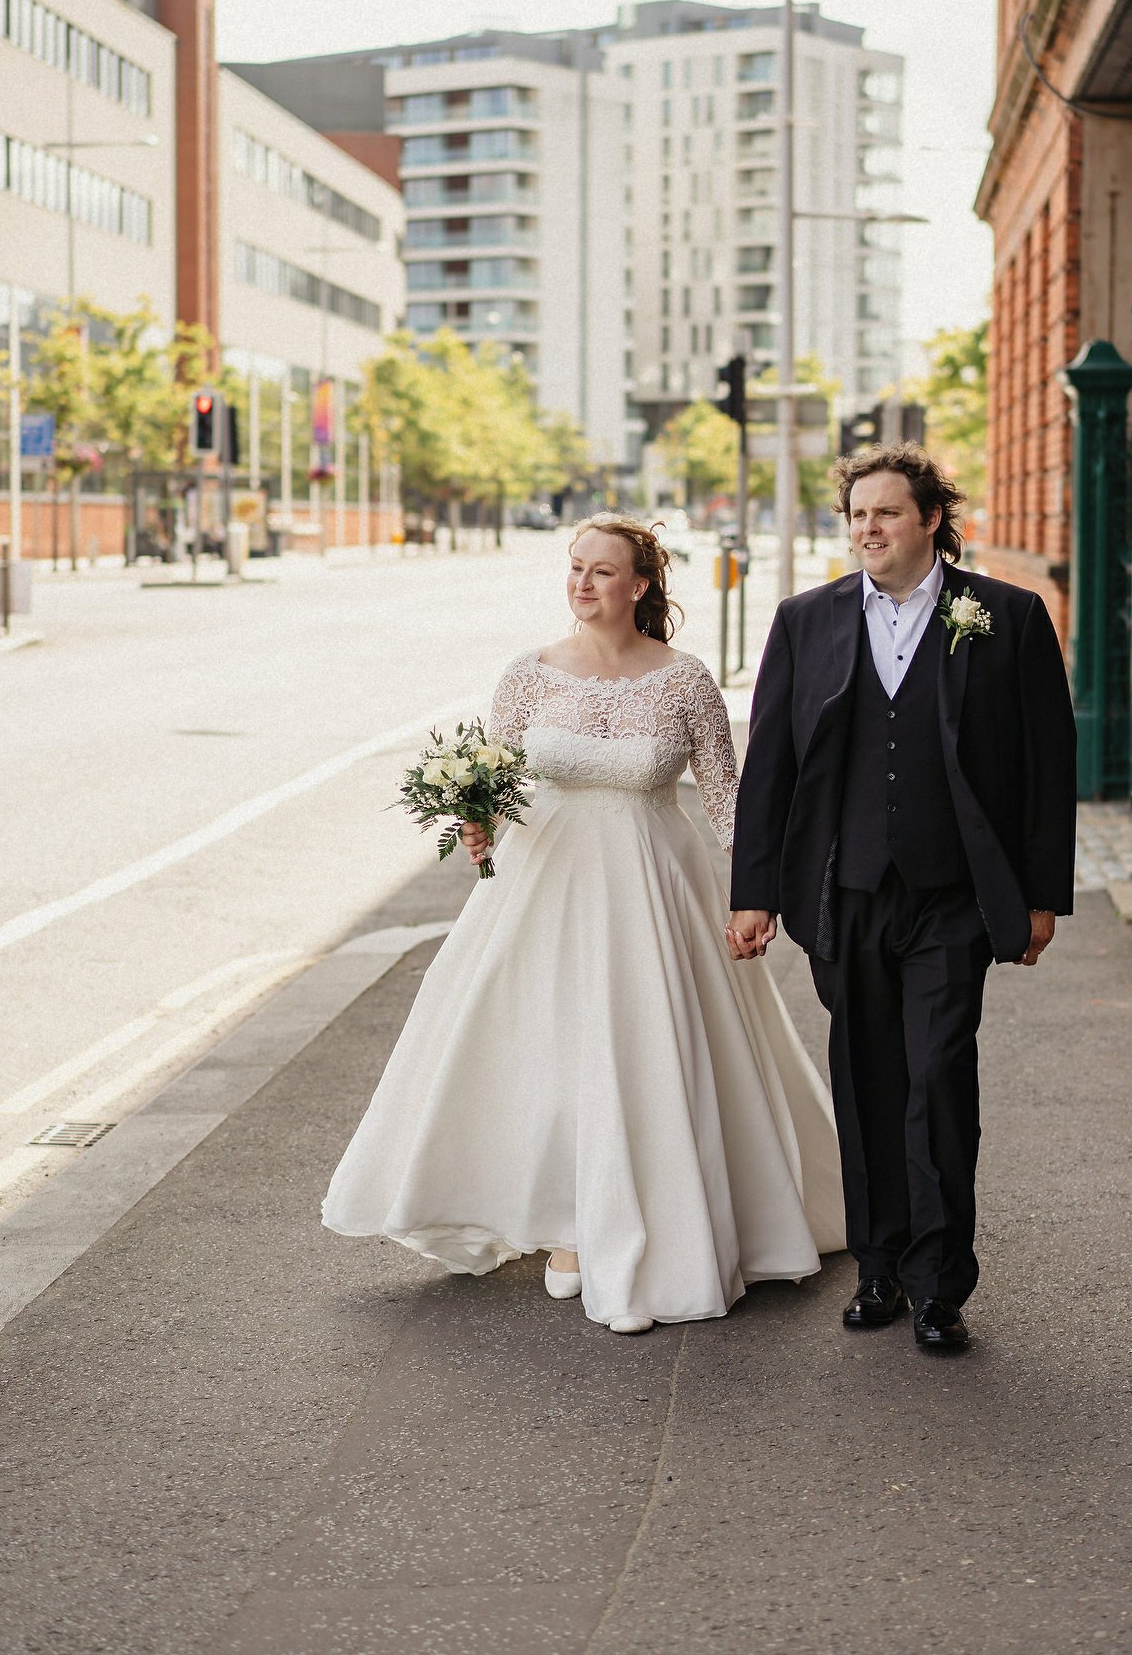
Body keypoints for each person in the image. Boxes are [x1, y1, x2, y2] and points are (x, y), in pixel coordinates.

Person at [323, 515, 844, 1335]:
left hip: (651, 886)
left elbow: (727, 801)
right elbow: (494, 776)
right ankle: (565, 1218)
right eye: (575, 568)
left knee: (637, 1046)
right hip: (541, 889)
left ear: (640, 585)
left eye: (603, 571)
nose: (583, 583)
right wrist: (475, 820)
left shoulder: (685, 681)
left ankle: (629, 1219)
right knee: (543, 1043)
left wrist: (756, 895)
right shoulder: (527, 674)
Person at [727, 447, 1077, 1353]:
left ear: (931, 519)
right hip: (844, 895)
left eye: (886, 513)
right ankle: (877, 1266)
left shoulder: (1007, 616)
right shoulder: (807, 621)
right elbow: (770, 766)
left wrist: (1043, 896)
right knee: (866, 1079)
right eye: (855, 516)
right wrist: (755, 891)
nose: (868, 530)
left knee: (936, 1078)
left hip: (952, 896)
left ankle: (938, 1283)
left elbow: (1047, 767)